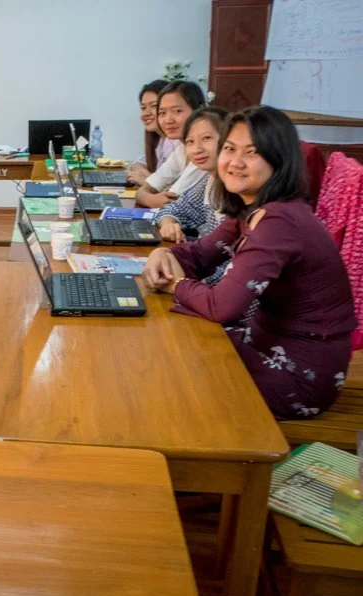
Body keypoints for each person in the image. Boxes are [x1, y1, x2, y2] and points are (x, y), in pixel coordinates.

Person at [142, 106, 357, 419]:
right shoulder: (251, 211)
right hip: (260, 343)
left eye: (252, 152)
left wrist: (176, 284)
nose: (235, 162)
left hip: (299, 375)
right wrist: (163, 254)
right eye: (229, 149)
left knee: (171, 376)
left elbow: (223, 306)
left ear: (279, 160)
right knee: (165, 352)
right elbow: (200, 255)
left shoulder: (280, 222)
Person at [153, 106, 230, 244]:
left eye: (206, 138)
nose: (197, 149)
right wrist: (168, 224)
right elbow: (175, 209)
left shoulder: (236, 187)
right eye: (190, 142)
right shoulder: (210, 179)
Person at [134, 81, 208, 209]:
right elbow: (142, 192)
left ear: (199, 111)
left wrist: (150, 197)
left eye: (177, 111)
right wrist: (150, 198)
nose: (168, 120)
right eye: (162, 113)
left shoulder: (204, 152)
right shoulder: (182, 149)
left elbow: (172, 203)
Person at [127, 79, 180, 186]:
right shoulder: (161, 140)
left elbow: (176, 191)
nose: (146, 113)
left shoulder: (176, 142)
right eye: (143, 108)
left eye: (154, 106)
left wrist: (148, 181)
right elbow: (140, 162)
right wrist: (142, 172)